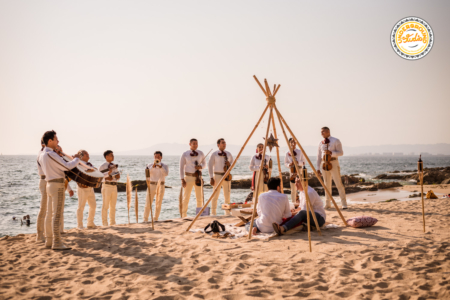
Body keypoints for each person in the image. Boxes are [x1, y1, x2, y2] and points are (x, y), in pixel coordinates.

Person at [39, 130, 80, 250]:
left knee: (50, 214)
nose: (58, 141)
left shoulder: (42, 154)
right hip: (57, 185)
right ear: (50, 141)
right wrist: (77, 159)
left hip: (49, 184)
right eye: (56, 139)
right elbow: (66, 166)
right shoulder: (51, 154)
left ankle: (49, 241)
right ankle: (57, 242)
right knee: (56, 215)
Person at [316, 127, 348, 209]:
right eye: (321, 132)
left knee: (338, 183)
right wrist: (317, 168)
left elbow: (341, 153)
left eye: (323, 132)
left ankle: (344, 204)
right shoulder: (320, 143)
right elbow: (319, 156)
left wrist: (331, 153)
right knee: (326, 185)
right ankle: (328, 204)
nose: (321, 133)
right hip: (324, 164)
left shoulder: (336, 140)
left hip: (333, 162)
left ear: (328, 131)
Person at [179, 139, 206, 218]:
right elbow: (181, 167)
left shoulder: (201, 153)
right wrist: (182, 179)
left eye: (196, 143)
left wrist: (200, 166)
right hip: (188, 177)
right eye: (193, 143)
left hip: (198, 177)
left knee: (199, 197)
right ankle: (184, 215)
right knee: (186, 197)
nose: (195, 145)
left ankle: (199, 215)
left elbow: (205, 164)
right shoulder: (185, 154)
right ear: (190, 144)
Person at [208, 138, 234, 216]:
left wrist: (229, 164)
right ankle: (213, 212)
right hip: (217, 175)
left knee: (227, 195)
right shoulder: (214, 154)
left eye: (225, 143)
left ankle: (227, 212)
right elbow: (210, 165)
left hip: (226, 175)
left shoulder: (228, 154)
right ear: (218, 145)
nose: (224, 144)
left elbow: (232, 163)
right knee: (215, 195)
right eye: (222, 143)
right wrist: (211, 177)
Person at [54, 145, 74, 233]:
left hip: (62, 185)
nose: (62, 153)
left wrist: (69, 189)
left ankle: (61, 229)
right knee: (55, 209)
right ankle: (56, 230)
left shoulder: (61, 160)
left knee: (60, 209)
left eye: (62, 151)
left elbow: (65, 177)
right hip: (55, 185)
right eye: (59, 151)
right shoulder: (56, 160)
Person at [144, 151, 169, 222]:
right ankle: (145, 219)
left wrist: (160, 167)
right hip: (151, 185)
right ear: (154, 157)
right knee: (148, 202)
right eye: (155, 157)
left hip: (160, 185)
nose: (157, 158)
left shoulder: (165, 166)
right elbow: (147, 174)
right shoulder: (149, 165)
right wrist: (153, 166)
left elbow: (166, 174)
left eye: (158, 157)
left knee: (158, 203)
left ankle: (155, 219)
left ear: (161, 157)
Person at [76, 149, 97, 229]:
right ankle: (80, 225)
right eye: (85, 154)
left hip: (90, 187)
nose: (88, 154)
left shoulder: (90, 164)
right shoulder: (79, 164)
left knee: (93, 205)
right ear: (80, 156)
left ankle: (90, 223)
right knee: (81, 206)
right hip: (82, 187)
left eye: (87, 153)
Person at [99, 150, 120, 226]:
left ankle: (112, 222)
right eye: (111, 155)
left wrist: (117, 176)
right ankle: (104, 223)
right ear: (106, 156)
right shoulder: (102, 166)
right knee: (105, 205)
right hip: (107, 186)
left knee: (113, 205)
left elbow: (117, 175)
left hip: (114, 185)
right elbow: (100, 177)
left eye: (113, 155)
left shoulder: (114, 165)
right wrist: (107, 178)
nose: (113, 156)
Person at [284, 138, 306, 203]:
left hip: (299, 169)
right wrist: (289, 164)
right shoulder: (287, 153)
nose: (293, 143)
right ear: (289, 143)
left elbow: (304, 162)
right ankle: (293, 202)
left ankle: (302, 202)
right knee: (293, 187)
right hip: (292, 170)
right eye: (291, 142)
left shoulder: (300, 151)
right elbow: (285, 163)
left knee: (301, 187)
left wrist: (298, 162)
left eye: (294, 142)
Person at [36, 140, 47, 242]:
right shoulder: (43, 154)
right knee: (43, 208)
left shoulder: (45, 153)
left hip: (47, 180)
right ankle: (39, 235)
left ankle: (45, 233)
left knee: (47, 209)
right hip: (44, 180)